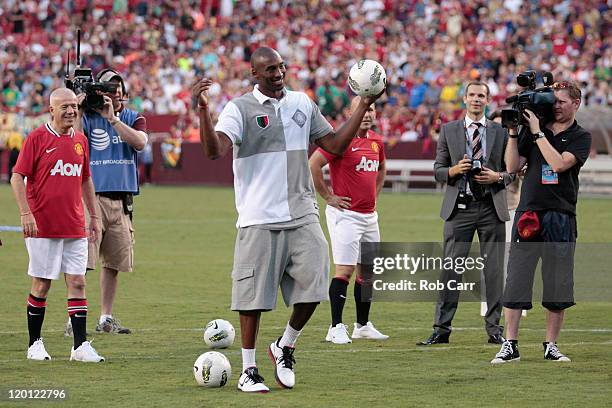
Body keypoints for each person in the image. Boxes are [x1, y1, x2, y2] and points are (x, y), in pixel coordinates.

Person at [192, 46, 383, 393]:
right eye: (269, 69)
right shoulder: (239, 109)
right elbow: (213, 150)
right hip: (258, 217)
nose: (278, 73)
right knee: (253, 300)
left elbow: (335, 144)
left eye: (280, 67)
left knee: (315, 285)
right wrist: (204, 112)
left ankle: (285, 345)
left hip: (302, 213)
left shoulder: (302, 103)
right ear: (254, 74)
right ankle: (248, 370)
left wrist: (363, 106)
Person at [491, 80, 592, 364]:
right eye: (553, 100)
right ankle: (510, 344)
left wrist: (536, 133)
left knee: (557, 281)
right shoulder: (536, 128)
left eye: (561, 101)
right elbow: (511, 167)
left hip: (561, 213)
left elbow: (559, 164)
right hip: (530, 212)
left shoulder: (580, 136)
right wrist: (514, 134)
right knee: (517, 279)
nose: (555, 106)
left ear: (576, 104)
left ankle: (551, 345)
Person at [11, 88, 104, 362]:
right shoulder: (37, 138)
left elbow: (85, 179)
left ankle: (79, 347)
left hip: (75, 224)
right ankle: (35, 343)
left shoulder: (81, 141)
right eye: (64, 106)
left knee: (78, 282)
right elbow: (17, 177)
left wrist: (94, 216)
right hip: (43, 225)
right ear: (51, 110)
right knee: (41, 283)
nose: (71, 111)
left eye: (74, 106)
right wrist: (25, 213)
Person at [418, 81, 509, 346]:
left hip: (491, 207)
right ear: (465, 98)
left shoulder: (501, 132)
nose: (477, 100)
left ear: (488, 99)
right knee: (451, 269)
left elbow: (513, 172)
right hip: (459, 207)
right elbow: (438, 170)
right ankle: (442, 329)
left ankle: (494, 329)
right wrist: (454, 171)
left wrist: (497, 177)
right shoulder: (449, 130)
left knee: (493, 271)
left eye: (482, 96)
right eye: (472, 95)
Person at [70, 68, 148, 335]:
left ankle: (106, 317)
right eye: (107, 89)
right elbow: (75, 144)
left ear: (124, 95)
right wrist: (79, 110)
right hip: (92, 201)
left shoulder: (132, 117)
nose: (113, 95)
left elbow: (140, 143)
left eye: (117, 90)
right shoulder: (88, 118)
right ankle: (74, 318)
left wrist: (113, 120)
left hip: (122, 202)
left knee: (113, 264)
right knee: (82, 261)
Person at [309, 96, 389, 344]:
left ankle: (362, 325)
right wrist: (328, 196)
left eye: (371, 109)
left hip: (369, 216)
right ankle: (335, 327)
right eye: (362, 109)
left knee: (368, 271)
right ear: (349, 112)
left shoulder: (376, 141)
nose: (367, 114)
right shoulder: (340, 139)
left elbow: (382, 168)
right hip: (345, 215)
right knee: (345, 270)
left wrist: (374, 195)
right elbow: (313, 164)